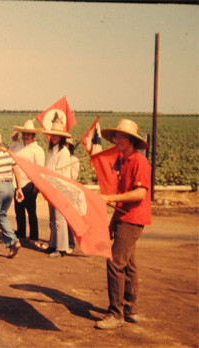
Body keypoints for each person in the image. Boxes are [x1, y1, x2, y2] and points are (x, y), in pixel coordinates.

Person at [95, 119, 151, 330]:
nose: (116, 140)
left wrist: (108, 198)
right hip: (124, 217)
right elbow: (121, 196)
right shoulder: (126, 160)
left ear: (131, 141)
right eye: (116, 137)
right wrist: (113, 221)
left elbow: (140, 193)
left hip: (133, 218)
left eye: (120, 137)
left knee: (115, 263)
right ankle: (130, 309)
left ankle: (115, 313)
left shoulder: (139, 161)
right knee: (128, 264)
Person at [9, 119, 45, 243]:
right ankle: (21, 232)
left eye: (28, 134)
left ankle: (34, 235)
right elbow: (10, 155)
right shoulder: (18, 146)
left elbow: (39, 169)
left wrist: (37, 184)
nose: (26, 136)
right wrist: (14, 140)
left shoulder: (38, 150)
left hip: (30, 183)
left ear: (34, 136)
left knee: (31, 211)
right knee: (19, 210)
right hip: (17, 183)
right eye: (24, 134)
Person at [41, 119, 73, 257]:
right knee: (52, 219)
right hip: (50, 186)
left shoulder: (64, 152)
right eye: (52, 135)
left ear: (62, 137)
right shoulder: (51, 150)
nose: (53, 137)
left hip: (59, 188)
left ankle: (62, 248)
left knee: (60, 219)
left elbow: (61, 174)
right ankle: (53, 244)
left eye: (56, 135)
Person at [66, 137, 80, 252]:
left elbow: (73, 176)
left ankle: (71, 243)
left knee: (68, 217)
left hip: (69, 190)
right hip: (59, 189)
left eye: (67, 145)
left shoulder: (74, 160)